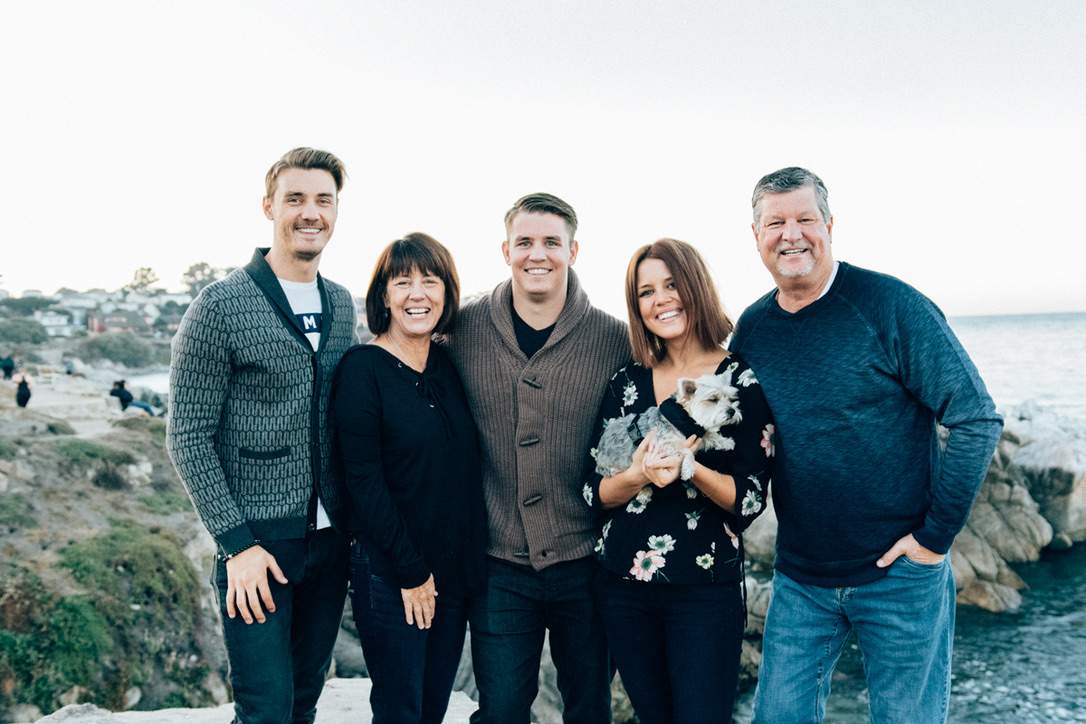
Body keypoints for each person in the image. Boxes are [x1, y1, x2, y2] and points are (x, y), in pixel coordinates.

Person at [730, 167, 1004, 723]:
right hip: (801, 579)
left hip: (900, 575)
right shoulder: (753, 329)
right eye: (775, 222)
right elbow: (745, 436)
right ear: (755, 235)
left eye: (805, 219)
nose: (791, 234)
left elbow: (976, 418)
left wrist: (933, 538)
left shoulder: (891, 305)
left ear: (829, 225)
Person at [166, 147, 356, 724]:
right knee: (264, 711)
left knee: (302, 704)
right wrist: (237, 545)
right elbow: (188, 437)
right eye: (295, 198)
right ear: (268, 205)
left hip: (330, 547)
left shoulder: (342, 304)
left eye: (323, 200)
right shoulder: (220, 306)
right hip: (256, 548)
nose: (310, 212)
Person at [444, 193, 630, 724]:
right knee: (501, 710)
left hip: (587, 560)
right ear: (506, 250)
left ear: (574, 251)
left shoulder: (615, 340)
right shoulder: (462, 327)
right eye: (524, 242)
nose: (537, 254)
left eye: (552, 242)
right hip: (499, 562)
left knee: (590, 708)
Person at [582, 239, 774, 724]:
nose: (661, 299)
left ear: (696, 287)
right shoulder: (625, 382)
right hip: (622, 588)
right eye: (646, 292)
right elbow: (592, 492)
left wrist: (693, 470)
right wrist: (637, 475)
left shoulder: (740, 381)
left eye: (671, 284)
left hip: (704, 592)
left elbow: (748, 500)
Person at [332, 233, 487, 724]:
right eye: (403, 282)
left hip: (454, 574)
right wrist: (411, 571)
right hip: (392, 574)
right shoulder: (362, 370)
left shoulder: (448, 363)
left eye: (430, 280)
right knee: (401, 711)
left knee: (433, 710)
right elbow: (364, 481)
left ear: (448, 291)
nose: (417, 294)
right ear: (384, 296)